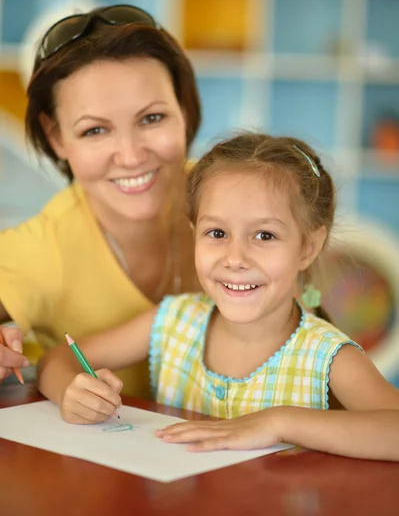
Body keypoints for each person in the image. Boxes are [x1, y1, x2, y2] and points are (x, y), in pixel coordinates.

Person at [37, 133, 399, 461]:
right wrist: (73, 392)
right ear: (194, 233)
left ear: (309, 247)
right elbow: (57, 359)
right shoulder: (173, 321)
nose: (235, 258)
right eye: (216, 232)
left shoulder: (328, 356)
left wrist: (280, 422)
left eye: (265, 236)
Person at [0, 4, 202, 396]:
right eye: (95, 130)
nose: (129, 155)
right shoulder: (42, 248)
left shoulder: (238, 192)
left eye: (152, 118)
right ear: (57, 137)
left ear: (183, 108)